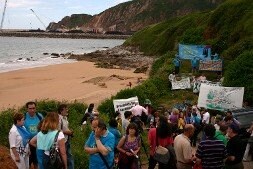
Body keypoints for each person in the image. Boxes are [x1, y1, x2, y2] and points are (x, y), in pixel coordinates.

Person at [24, 101, 43, 169]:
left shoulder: (39, 116)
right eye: (30, 108)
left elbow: (43, 127)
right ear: (27, 109)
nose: (32, 110)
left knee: (37, 161)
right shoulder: (23, 117)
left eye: (33, 108)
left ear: (36, 108)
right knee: (28, 161)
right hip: (27, 143)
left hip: (37, 142)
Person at [58, 104, 74, 169]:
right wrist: (67, 132)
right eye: (65, 109)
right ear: (61, 111)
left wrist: (70, 132)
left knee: (69, 156)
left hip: (67, 139)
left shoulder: (65, 118)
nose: (67, 110)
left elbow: (65, 128)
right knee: (64, 157)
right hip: (62, 141)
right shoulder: (59, 119)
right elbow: (57, 131)